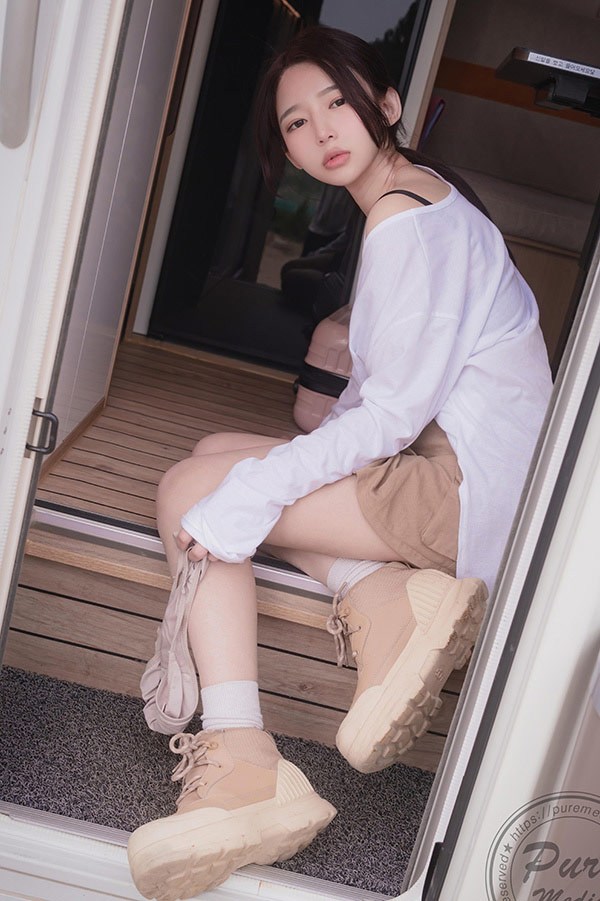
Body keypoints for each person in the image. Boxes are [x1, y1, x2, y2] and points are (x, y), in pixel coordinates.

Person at [127, 25, 553, 901]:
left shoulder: (402, 220)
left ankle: (245, 760)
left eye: (338, 102)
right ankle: (382, 595)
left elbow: (389, 417)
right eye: (295, 121)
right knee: (214, 456)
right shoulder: (419, 199)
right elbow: (383, 399)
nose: (321, 129)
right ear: (283, 148)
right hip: (466, 484)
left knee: (191, 491)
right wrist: (264, 474)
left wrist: (251, 493)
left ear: (386, 105)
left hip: (457, 494)